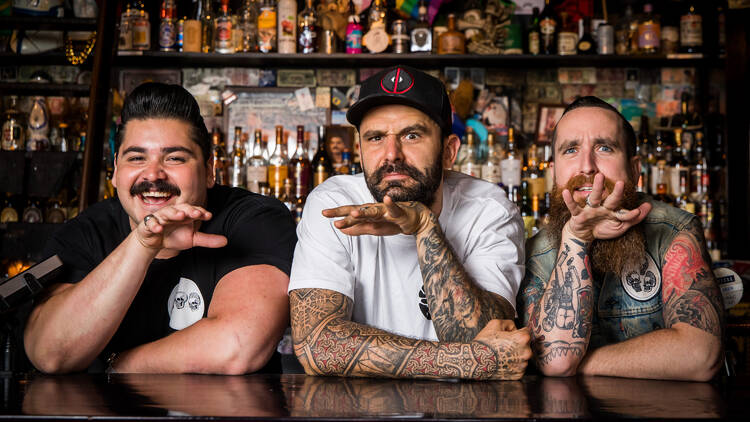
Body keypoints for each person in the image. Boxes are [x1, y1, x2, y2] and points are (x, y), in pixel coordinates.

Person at [24, 83, 296, 374]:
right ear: (116, 171)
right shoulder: (87, 231)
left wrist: (116, 365)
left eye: (174, 158)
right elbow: (50, 354)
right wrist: (142, 245)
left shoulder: (254, 219)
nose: (153, 174)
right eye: (136, 158)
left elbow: (237, 346)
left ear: (210, 170)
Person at [288, 65, 531, 380]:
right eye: (376, 138)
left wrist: (425, 228)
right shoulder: (333, 204)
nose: (392, 154)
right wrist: (468, 362)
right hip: (362, 414)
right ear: (359, 150)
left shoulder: (491, 211)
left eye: (412, 135)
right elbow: (316, 345)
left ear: (448, 151)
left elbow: (483, 335)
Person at [518, 96, 724, 381]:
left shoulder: (675, 231)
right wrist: (576, 239)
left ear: (635, 169)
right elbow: (557, 361)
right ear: (553, 172)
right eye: (570, 150)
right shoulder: (535, 252)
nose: (587, 166)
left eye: (604, 147)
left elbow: (701, 356)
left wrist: (585, 363)